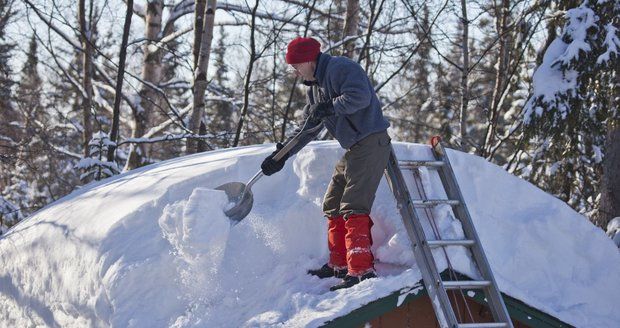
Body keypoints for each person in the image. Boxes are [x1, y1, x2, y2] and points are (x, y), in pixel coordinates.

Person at [261, 37, 391, 291]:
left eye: (296, 65)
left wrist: (329, 107)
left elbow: (360, 97)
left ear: (309, 60)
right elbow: (308, 127)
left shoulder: (341, 68)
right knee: (332, 202)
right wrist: (281, 156)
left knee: (353, 204)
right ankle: (339, 263)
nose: (294, 71)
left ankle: (361, 270)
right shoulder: (315, 87)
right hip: (355, 147)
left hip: (371, 141)